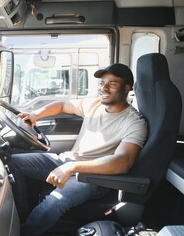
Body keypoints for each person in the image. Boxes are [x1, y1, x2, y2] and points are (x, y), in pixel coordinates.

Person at [8, 63, 148, 236]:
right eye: (101, 83)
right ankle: (22, 217)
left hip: (95, 177)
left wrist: (73, 167)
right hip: (67, 160)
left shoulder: (134, 122)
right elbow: (62, 105)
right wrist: (36, 115)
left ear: (127, 87)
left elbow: (123, 162)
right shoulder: (94, 104)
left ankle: (24, 233)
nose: (103, 88)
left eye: (112, 84)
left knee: (55, 202)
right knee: (12, 161)